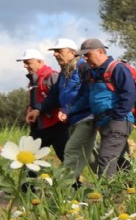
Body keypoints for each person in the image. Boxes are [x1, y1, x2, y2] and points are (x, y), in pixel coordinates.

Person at [27, 39, 96, 189]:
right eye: (54, 51)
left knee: (70, 152)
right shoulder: (64, 72)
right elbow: (54, 95)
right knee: (91, 157)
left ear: (72, 52)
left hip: (86, 117)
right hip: (73, 119)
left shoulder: (83, 67)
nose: (55, 54)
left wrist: (69, 108)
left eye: (59, 51)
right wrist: (38, 109)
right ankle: (115, 182)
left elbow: (87, 92)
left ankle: (65, 190)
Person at [64, 38, 135, 179]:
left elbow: (129, 95)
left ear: (100, 52)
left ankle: (109, 198)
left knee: (106, 159)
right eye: (83, 55)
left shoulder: (117, 68)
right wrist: (67, 110)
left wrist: (116, 117)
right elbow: (83, 95)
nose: (85, 58)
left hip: (118, 121)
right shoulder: (91, 73)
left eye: (87, 54)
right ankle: (132, 194)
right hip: (103, 122)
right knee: (121, 160)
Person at [17, 48, 68, 163]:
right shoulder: (33, 80)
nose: (25, 66)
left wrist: (38, 109)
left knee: (66, 160)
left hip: (57, 125)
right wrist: (30, 109)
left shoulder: (52, 76)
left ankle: (76, 182)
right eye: (24, 63)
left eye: (28, 62)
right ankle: (29, 182)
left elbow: (59, 98)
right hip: (39, 127)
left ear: (40, 61)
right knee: (28, 160)